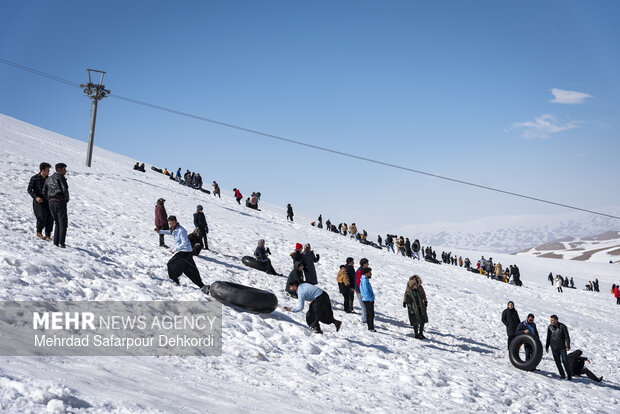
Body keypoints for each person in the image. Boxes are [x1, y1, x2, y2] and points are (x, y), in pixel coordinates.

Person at [154, 216, 209, 293]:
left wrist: (175, 249)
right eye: (170, 223)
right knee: (190, 270)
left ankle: (175, 281)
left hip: (185, 252)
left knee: (170, 264)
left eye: (172, 223)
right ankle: (203, 286)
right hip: (187, 252)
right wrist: (159, 231)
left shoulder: (181, 230)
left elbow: (185, 242)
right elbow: (169, 232)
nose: (171, 225)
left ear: (176, 221)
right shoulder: (174, 229)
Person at [43, 163, 69, 248]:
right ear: (59, 169)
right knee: (63, 223)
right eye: (64, 169)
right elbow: (64, 189)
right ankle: (62, 243)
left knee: (57, 222)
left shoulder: (48, 179)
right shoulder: (60, 177)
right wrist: (66, 199)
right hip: (60, 201)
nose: (65, 171)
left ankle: (56, 242)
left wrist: (50, 199)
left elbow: (44, 191)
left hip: (51, 202)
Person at [27, 162, 53, 240]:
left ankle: (48, 235)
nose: (49, 171)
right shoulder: (34, 178)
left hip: (48, 200)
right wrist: (36, 197)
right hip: (39, 200)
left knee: (50, 217)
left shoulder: (49, 179)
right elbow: (29, 190)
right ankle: (39, 232)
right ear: (42, 170)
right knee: (41, 216)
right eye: (47, 170)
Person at [545, 315, 571, 380]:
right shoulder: (549, 327)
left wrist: (568, 346)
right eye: (550, 320)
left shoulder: (563, 326)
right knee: (558, 362)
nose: (551, 321)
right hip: (553, 347)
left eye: (552, 320)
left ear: (556, 320)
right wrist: (547, 346)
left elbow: (567, 337)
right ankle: (562, 375)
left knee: (565, 361)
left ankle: (569, 375)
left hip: (562, 347)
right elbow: (548, 337)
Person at [403, 275, 428, 339]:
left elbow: (423, 294)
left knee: (422, 320)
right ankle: (416, 334)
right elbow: (407, 297)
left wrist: (425, 302)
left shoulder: (419, 289)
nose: (416, 284)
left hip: (420, 306)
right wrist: (405, 302)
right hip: (414, 308)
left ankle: (421, 333)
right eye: (414, 283)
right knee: (416, 321)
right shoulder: (409, 291)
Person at [359, 267, 376, 332]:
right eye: (370, 272)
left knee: (370, 313)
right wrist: (370, 298)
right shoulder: (364, 280)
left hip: (368, 299)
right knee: (370, 314)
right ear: (366, 273)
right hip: (368, 299)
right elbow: (365, 291)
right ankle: (371, 327)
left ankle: (370, 327)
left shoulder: (365, 279)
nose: (371, 274)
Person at [354, 258, 369, 324]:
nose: (368, 264)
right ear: (364, 264)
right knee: (364, 307)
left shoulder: (363, 270)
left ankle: (365, 319)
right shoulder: (360, 271)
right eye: (367, 263)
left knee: (365, 306)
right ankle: (364, 320)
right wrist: (363, 290)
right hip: (360, 292)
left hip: (362, 291)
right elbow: (358, 282)